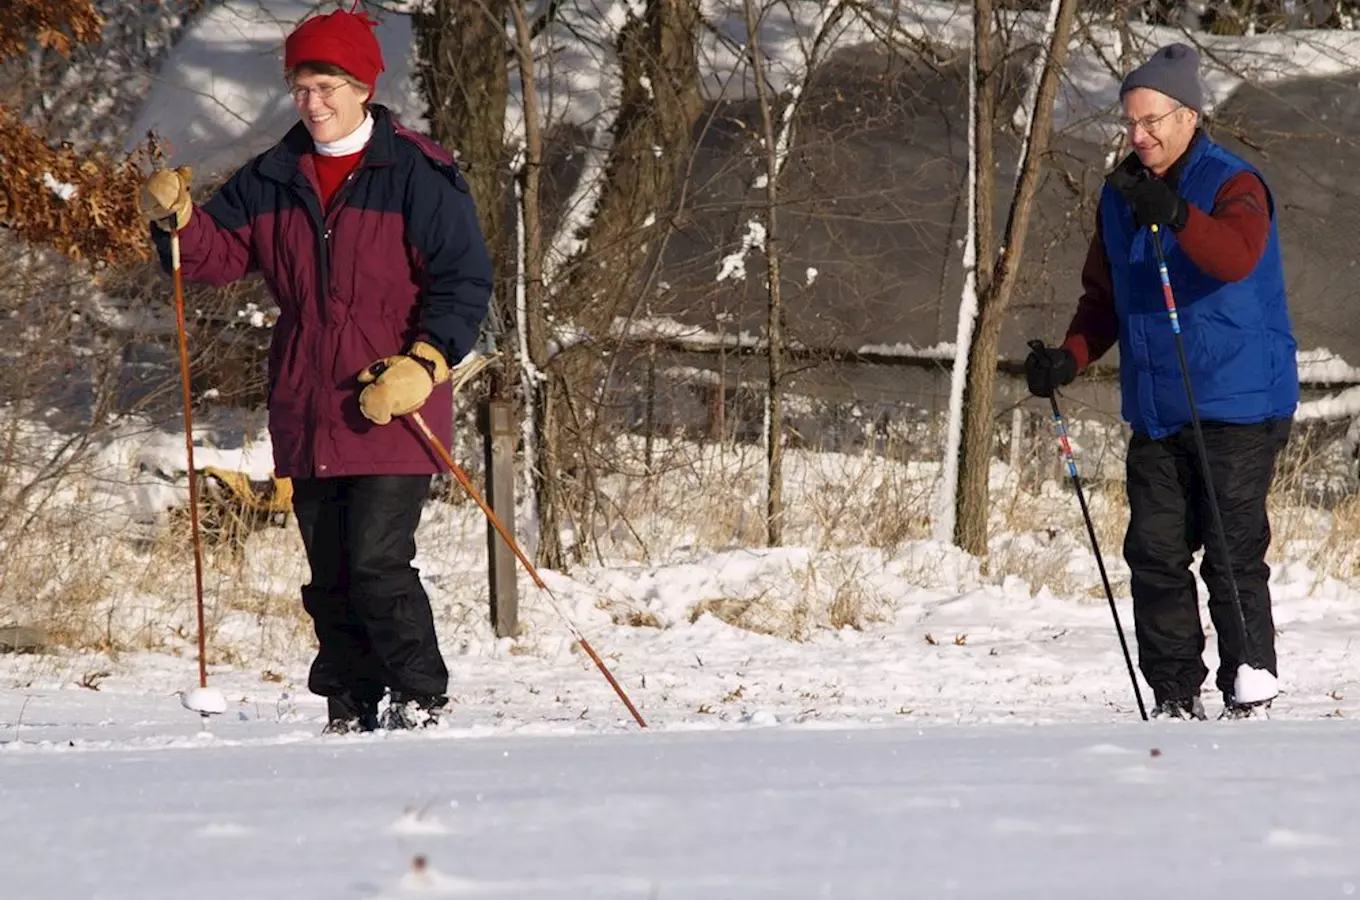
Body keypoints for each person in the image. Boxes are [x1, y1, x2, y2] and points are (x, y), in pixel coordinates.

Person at [137, 7, 493, 733]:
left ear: (364, 86)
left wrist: (425, 364)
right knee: (329, 573)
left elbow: (464, 280)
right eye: (302, 87)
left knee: (376, 562)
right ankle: (352, 707)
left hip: (393, 400)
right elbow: (212, 258)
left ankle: (418, 699)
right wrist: (176, 222)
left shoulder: (419, 174)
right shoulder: (272, 175)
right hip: (308, 401)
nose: (314, 102)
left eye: (328, 85)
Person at [1024, 43, 1297, 721]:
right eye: (1131, 124)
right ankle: (1175, 692)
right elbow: (1105, 297)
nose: (1138, 136)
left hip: (1237, 400)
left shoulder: (1235, 184)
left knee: (1231, 553)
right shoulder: (1120, 198)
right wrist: (1069, 357)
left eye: (1151, 122)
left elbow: (1235, 257)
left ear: (1188, 117)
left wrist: (1175, 215)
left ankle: (1250, 682)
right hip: (1157, 406)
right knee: (1153, 551)